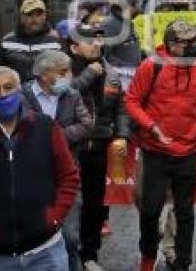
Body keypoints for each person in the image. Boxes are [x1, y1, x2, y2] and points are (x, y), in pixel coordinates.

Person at [0, 66, 80, 269]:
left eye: (8, 87)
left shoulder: (46, 128)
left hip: (45, 254)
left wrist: (53, 217)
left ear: (19, 90)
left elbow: (69, 177)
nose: (2, 94)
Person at [125, 20, 196, 271]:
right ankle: (148, 254)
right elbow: (132, 101)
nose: (193, 46)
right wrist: (151, 126)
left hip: (188, 152)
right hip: (155, 151)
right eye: (186, 42)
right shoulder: (151, 66)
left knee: (185, 213)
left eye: (194, 41)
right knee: (149, 211)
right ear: (171, 44)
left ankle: (183, 262)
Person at [21, 50, 93, 271]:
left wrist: (55, 136)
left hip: (66, 175)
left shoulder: (72, 95)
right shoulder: (23, 96)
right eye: (63, 72)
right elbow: (23, 129)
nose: (69, 76)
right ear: (44, 74)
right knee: (35, 237)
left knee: (70, 237)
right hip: (31, 178)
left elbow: (86, 125)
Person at [68, 23, 129, 270]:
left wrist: (123, 134)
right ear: (74, 47)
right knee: (71, 202)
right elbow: (65, 94)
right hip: (71, 146)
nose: (96, 44)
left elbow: (122, 107)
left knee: (95, 203)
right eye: (89, 41)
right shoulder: (65, 69)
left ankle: (89, 254)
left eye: (98, 40)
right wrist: (89, 74)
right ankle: (67, 252)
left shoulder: (111, 72)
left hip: (100, 146)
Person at [0, 0, 63, 83]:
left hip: (47, 92)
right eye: (30, 14)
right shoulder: (7, 41)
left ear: (44, 16)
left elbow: (63, 71)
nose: (34, 19)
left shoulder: (55, 42)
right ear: (22, 17)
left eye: (38, 14)